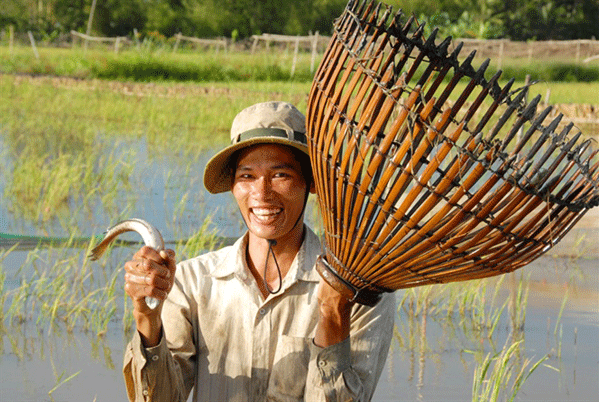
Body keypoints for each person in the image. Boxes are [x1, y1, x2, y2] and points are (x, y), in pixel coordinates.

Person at [122, 101, 396, 401]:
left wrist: (333, 314)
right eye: (247, 176)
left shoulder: (358, 292)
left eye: (281, 175)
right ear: (233, 185)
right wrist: (147, 317)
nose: (262, 193)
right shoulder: (191, 283)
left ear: (311, 182)